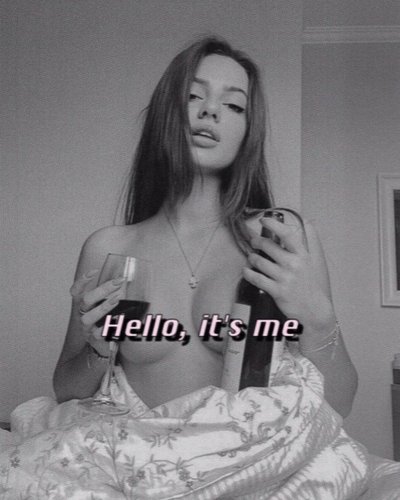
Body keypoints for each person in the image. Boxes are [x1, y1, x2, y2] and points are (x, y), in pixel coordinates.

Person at [53, 36, 357, 417]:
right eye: (194, 96)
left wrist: (318, 318)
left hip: (248, 449)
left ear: (248, 131)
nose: (210, 110)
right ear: (165, 112)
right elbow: (65, 390)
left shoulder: (278, 237)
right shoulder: (108, 248)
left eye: (233, 105)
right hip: (138, 447)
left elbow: (340, 404)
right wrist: (98, 349)